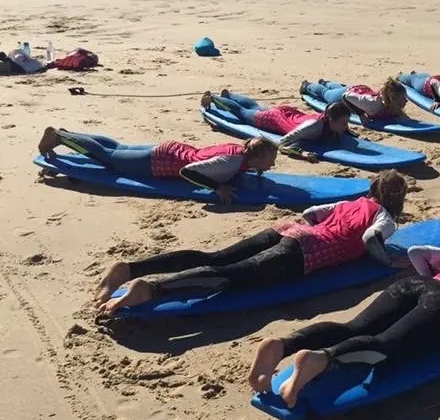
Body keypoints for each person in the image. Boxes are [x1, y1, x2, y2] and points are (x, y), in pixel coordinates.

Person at [248, 216, 440, 408]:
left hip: (417, 283)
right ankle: (322, 359)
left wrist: (430, 279)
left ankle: (283, 344)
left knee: (354, 327)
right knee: (389, 344)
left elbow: (417, 252)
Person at [96, 170, 409, 315]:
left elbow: (311, 213)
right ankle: (153, 289)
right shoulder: (386, 219)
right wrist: (387, 260)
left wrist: (323, 228)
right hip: (302, 252)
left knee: (216, 256)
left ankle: (130, 268)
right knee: (234, 275)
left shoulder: (350, 203)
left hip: (286, 230)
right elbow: (371, 237)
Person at [37, 127, 276, 203]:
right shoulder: (231, 162)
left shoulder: (240, 152)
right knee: (110, 158)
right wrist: (218, 189)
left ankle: (71, 134)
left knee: (118, 148)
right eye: (270, 160)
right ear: (257, 157)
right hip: (160, 162)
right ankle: (60, 137)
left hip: (170, 148)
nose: (273, 163)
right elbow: (188, 172)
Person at [202, 90, 350, 162]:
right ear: (331, 120)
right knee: (242, 112)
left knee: (255, 105)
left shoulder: (329, 120)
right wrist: (302, 154)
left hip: (286, 113)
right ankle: (214, 98)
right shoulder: (313, 126)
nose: (345, 127)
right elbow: (282, 142)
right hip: (270, 120)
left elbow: (341, 128)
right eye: (343, 123)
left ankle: (230, 95)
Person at [301, 77, 408, 122]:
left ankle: (325, 82)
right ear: (392, 99)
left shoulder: (390, 103)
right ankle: (307, 86)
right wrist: (360, 114)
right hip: (347, 95)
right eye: (402, 99)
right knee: (327, 94)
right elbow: (346, 96)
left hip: (360, 91)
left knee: (338, 88)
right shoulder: (372, 105)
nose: (406, 101)